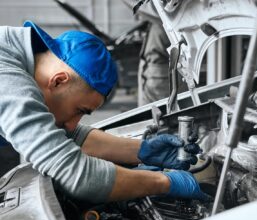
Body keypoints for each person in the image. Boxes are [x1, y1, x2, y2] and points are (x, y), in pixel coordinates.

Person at [0, 20, 204, 204]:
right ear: (58, 80)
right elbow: (74, 173)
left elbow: (68, 136)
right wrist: (164, 182)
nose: (72, 123)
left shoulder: (18, 60)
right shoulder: (8, 81)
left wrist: (143, 150)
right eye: (79, 110)